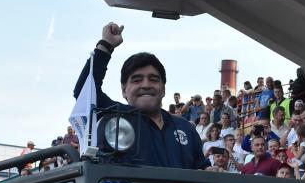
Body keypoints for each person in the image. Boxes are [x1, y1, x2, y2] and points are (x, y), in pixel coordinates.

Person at [73, 22, 206, 170]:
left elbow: (203, 168)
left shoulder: (186, 128)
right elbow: (84, 92)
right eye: (137, 80)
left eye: (153, 79)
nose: (146, 85)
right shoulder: (116, 118)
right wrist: (105, 46)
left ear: (163, 89)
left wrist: (210, 170)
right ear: (124, 90)